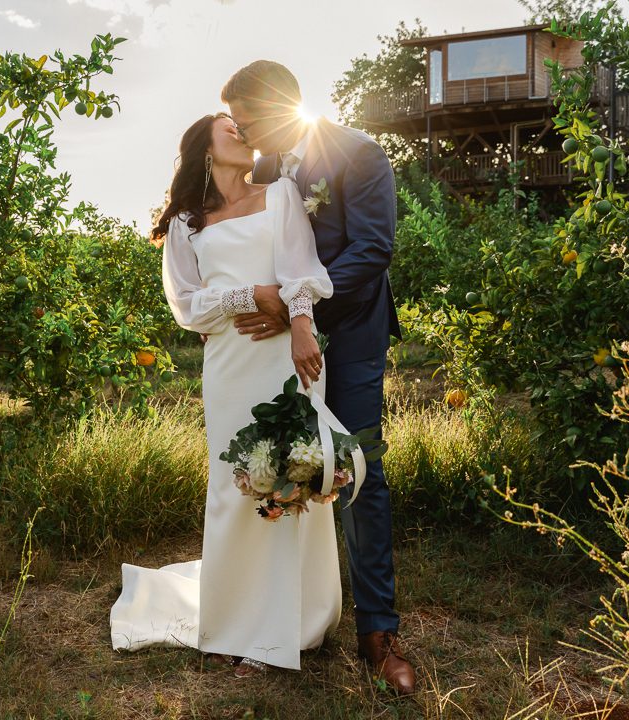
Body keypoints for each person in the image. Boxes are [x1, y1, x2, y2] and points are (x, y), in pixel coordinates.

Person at [109, 112, 340, 677]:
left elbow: (301, 270)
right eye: (227, 128)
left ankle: (276, 631)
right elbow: (188, 306)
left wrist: (300, 323)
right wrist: (250, 294)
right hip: (230, 367)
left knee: (290, 482)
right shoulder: (189, 224)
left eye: (242, 126)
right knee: (233, 487)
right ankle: (230, 617)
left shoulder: (282, 193)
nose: (240, 131)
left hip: (289, 357)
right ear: (205, 152)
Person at [223, 60, 416, 695]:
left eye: (247, 119)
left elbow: (372, 248)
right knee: (290, 465)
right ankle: (293, 617)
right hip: (283, 345)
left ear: (279, 106)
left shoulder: (359, 154)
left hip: (352, 336)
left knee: (359, 469)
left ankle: (378, 633)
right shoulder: (269, 169)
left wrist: (298, 309)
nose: (244, 133)